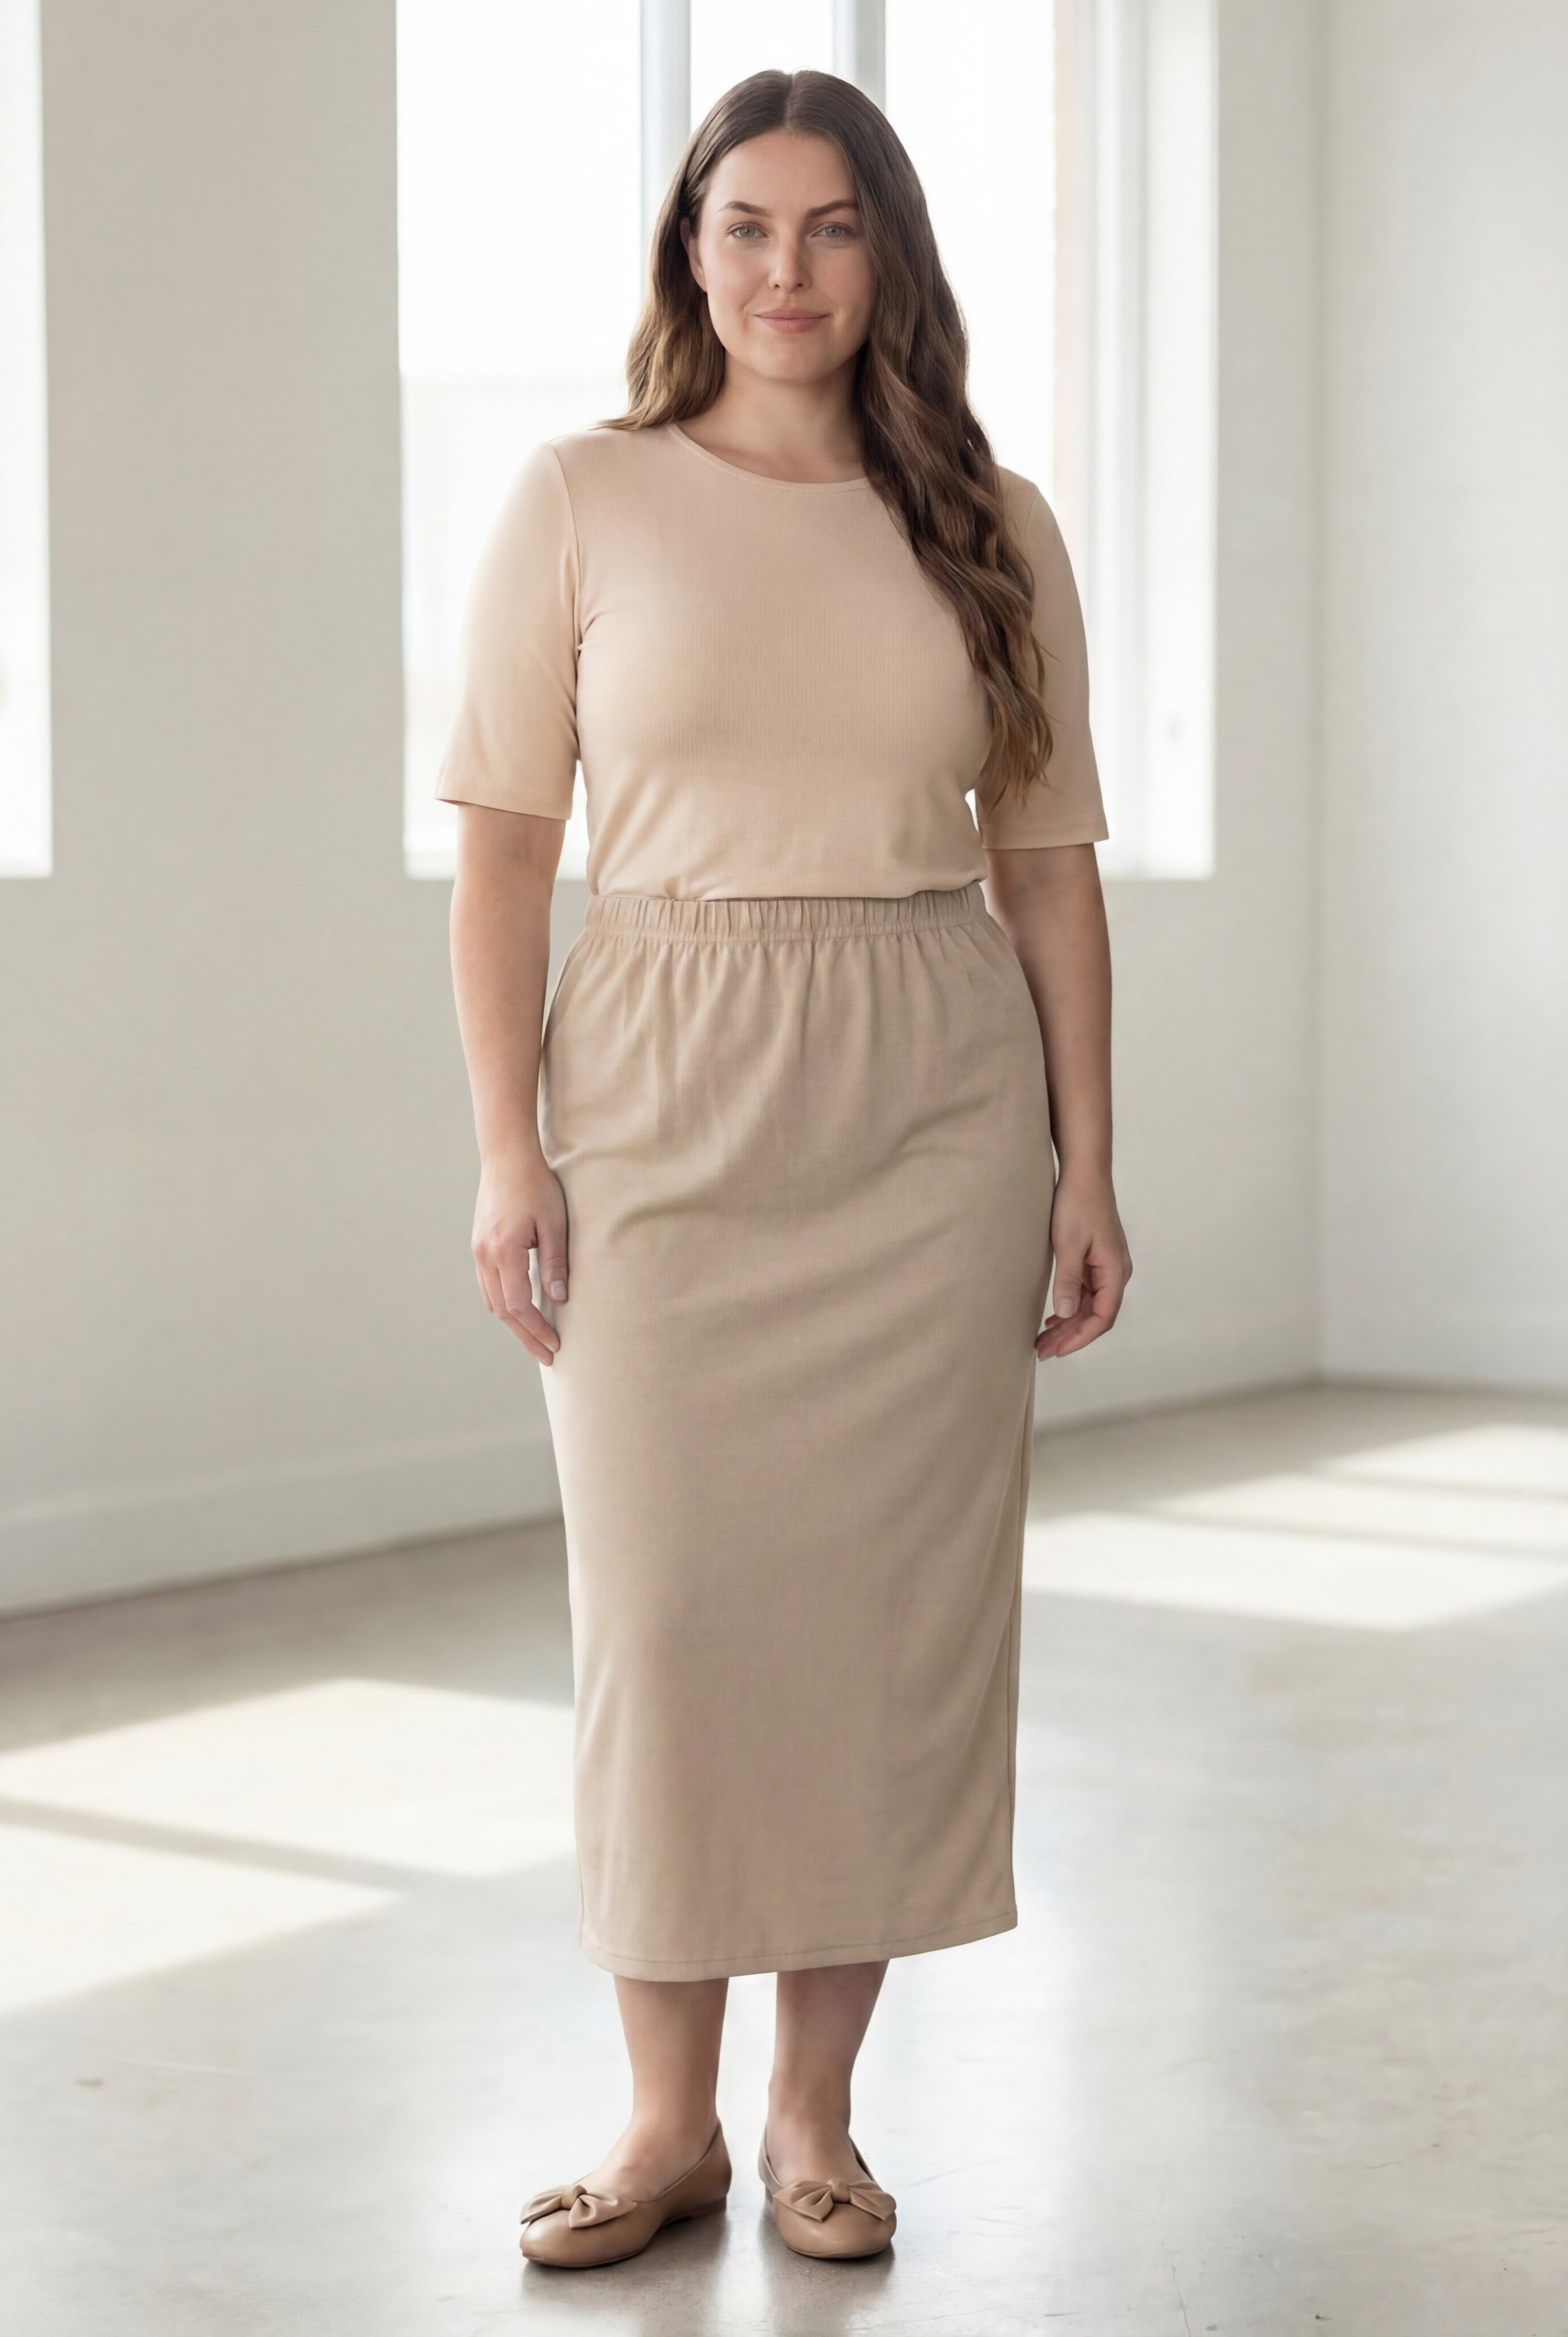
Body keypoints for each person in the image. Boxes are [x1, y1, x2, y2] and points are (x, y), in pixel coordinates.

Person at [441, 68, 1132, 2271]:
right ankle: (663, 2126)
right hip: (654, 1080)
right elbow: (500, 860)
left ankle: (813, 2116)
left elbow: (1046, 870)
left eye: (830, 230)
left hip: (924, 1095)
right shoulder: (581, 498)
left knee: (878, 1621)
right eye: (742, 227)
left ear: (887, 259)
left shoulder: (988, 522)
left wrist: (1082, 1158)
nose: (783, 272)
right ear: (686, 252)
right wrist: (501, 1148)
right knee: (664, 1615)